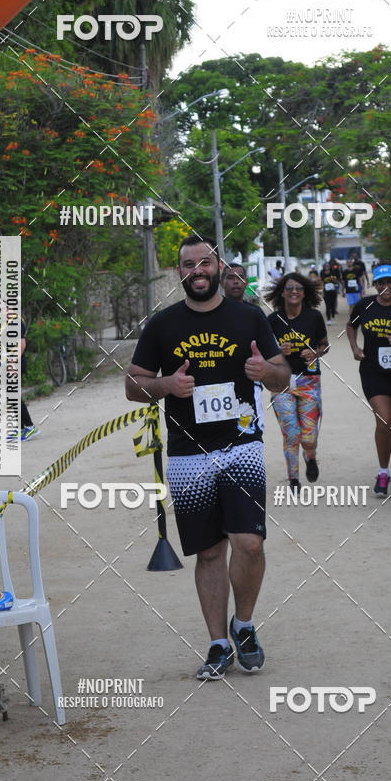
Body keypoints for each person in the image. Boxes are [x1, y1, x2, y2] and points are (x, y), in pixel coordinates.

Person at [126, 235, 289, 681]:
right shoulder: (162, 325)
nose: (197, 271)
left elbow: (282, 377)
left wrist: (266, 372)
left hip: (242, 446)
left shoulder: (249, 318)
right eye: (187, 264)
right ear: (178, 271)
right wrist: (166, 386)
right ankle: (218, 644)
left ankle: (244, 625)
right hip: (187, 454)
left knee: (249, 543)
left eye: (204, 262)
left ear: (218, 266)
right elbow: (133, 385)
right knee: (210, 552)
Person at [346, 262, 391, 496]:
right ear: (375, 285)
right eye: (380, 283)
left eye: (389, 282)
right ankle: (383, 472)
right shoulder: (365, 305)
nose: (385, 287)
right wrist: (355, 348)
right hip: (373, 370)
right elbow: (351, 326)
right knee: (385, 420)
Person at [266, 272, 329, 490]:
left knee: (309, 437)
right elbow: (264, 352)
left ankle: (310, 457)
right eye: (290, 288)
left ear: (304, 293)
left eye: (299, 288)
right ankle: (293, 478)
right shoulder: (272, 320)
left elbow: (325, 345)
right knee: (291, 433)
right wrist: (277, 351)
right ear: (282, 293)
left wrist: (316, 353)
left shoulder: (314, 317)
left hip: (309, 381)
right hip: (281, 382)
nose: (294, 291)